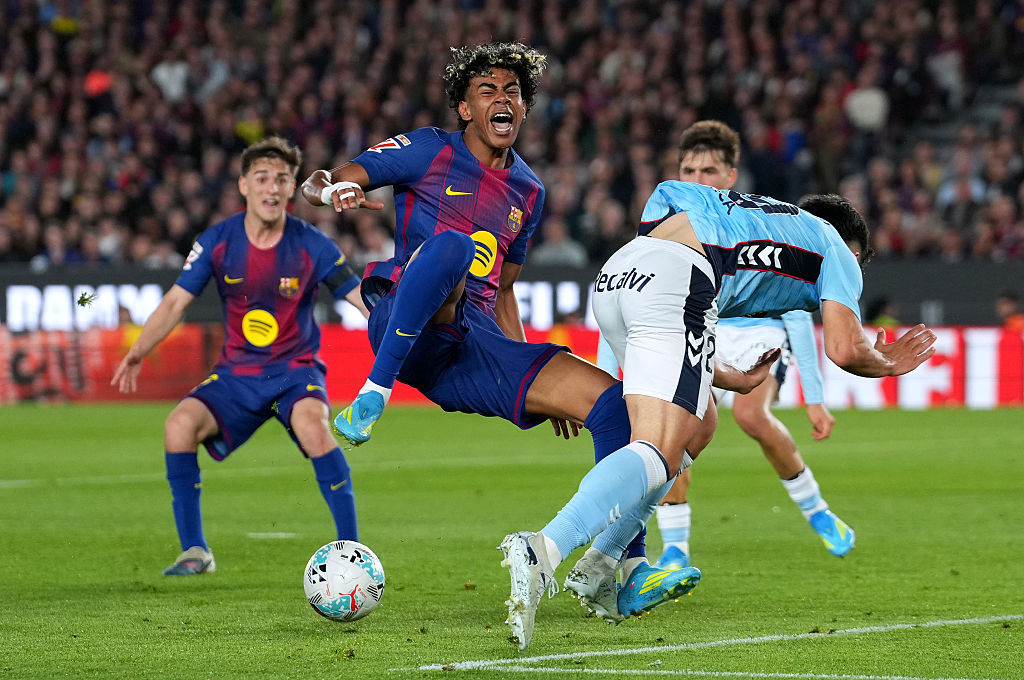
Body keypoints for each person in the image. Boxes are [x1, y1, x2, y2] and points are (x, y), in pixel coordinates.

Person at [300, 44, 772, 643]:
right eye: (488, 90)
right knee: (452, 248)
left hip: (472, 346)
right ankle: (374, 390)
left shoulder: (527, 188)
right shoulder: (428, 148)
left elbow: (502, 290)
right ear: (464, 107)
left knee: (615, 407)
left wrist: (530, 372)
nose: (503, 100)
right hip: (405, 321)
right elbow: (324, 179)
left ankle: (621, 570)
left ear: (524, 107)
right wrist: (333, 193)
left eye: (513, 92)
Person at [499, 184, 936, 647]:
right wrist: (888, 363)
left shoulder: (761, 216)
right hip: (678, 280)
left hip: (620, 274)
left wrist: (735, 377)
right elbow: (845, 349)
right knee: (658, 448)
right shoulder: (838, 250)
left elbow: (664, 195)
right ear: (855, 251)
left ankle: (601, 563)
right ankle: (544, 547)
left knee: (699, 425)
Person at [111, 137, 369, 576]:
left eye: (281, 180)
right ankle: (195, 551)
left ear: (291, 189)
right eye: (262, 178)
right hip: (237, 374)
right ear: (244, 185)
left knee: (314, 428)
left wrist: (398, 330)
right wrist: (138, 351)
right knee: (178, 426)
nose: (272, 188)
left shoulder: (313, 244)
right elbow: (176, 301)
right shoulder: (217, 241)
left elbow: (360, 298)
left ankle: (353, 553)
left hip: (294, 372)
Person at [623, 121, 852, 571]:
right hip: (702, 330)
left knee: (751, 415)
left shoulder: (757, 219)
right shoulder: (668, 229)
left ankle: (817, 510)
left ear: (730, 176)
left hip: (760, 334)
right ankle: (676, 549)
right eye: (689, 171)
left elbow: (796, 307)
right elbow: (634, 297)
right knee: (678, 428)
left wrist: (815, 397)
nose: (697, 180)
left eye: (708, 171)